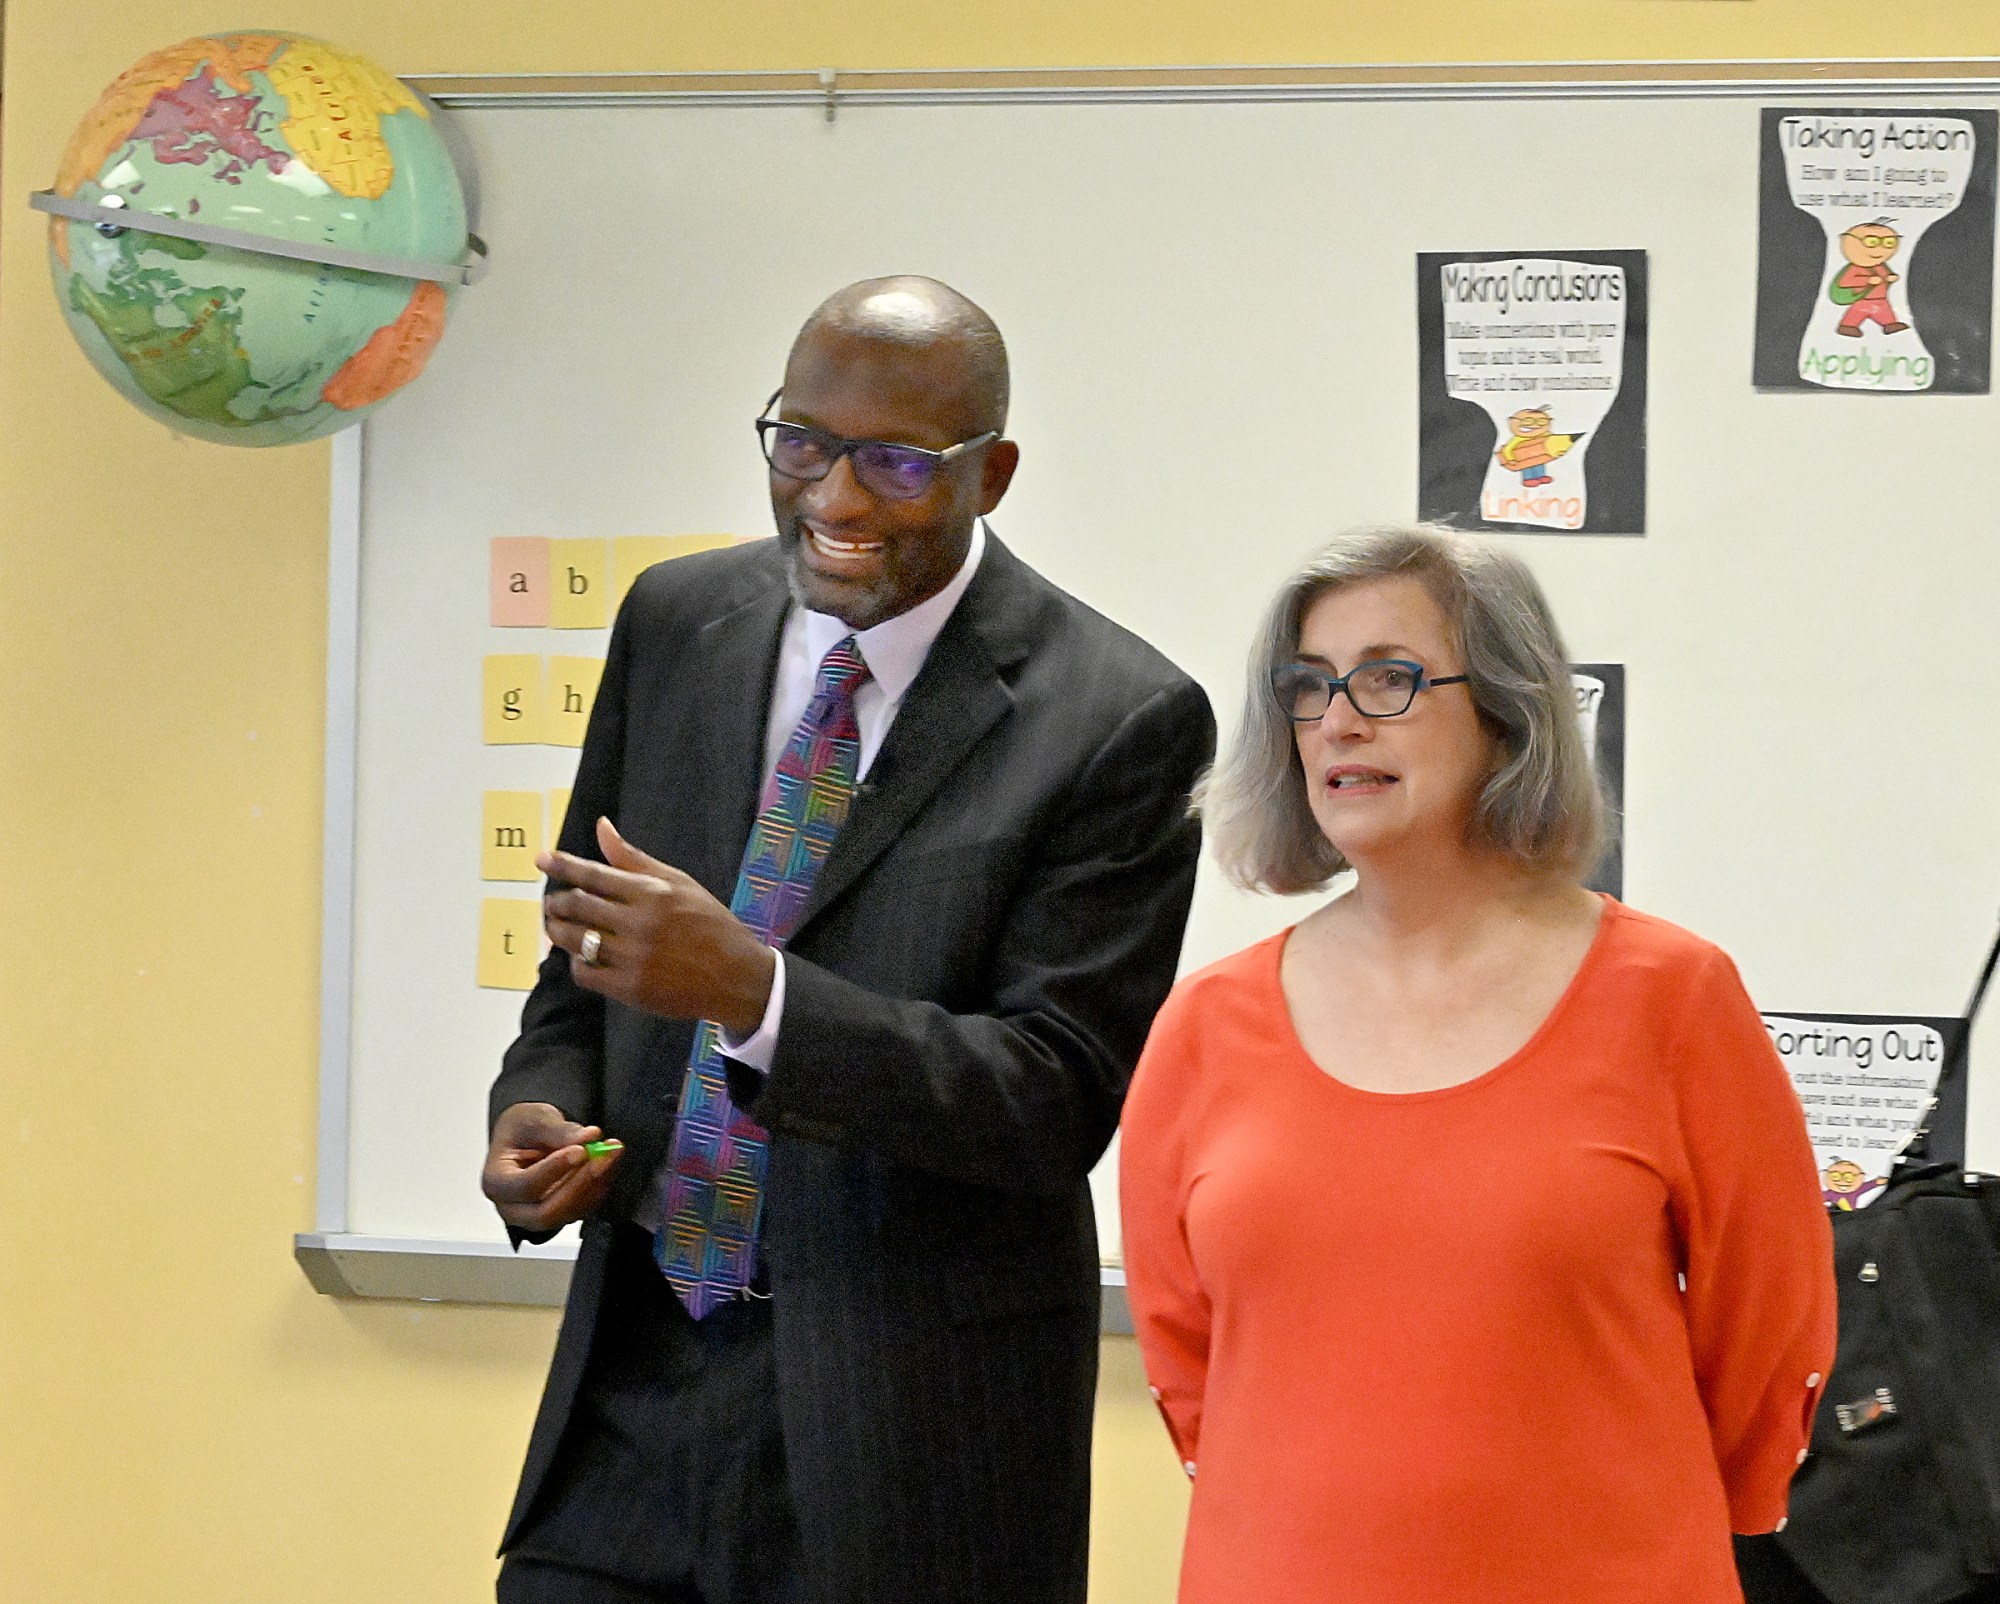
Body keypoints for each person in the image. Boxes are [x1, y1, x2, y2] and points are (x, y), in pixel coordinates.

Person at [479, 276, 1215, 1604]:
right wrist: (542, 1106)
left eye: (895, 462)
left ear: (990, 474)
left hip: (907, 1433)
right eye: (802, 443)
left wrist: (756, 994)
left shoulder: (1120, 717)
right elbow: (583, 968)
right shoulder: (675, 622)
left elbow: (1047, 1098)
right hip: (632, 1393)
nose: (835, 499)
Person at [1120, 523, 1835, 1604]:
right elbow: (1187, 1368)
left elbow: (1766, 1339)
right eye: (1308, 686)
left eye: (1389, 678)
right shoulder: (1203, 1024)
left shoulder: (1671, 996)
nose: (1338, 718)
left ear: (1508, 714)